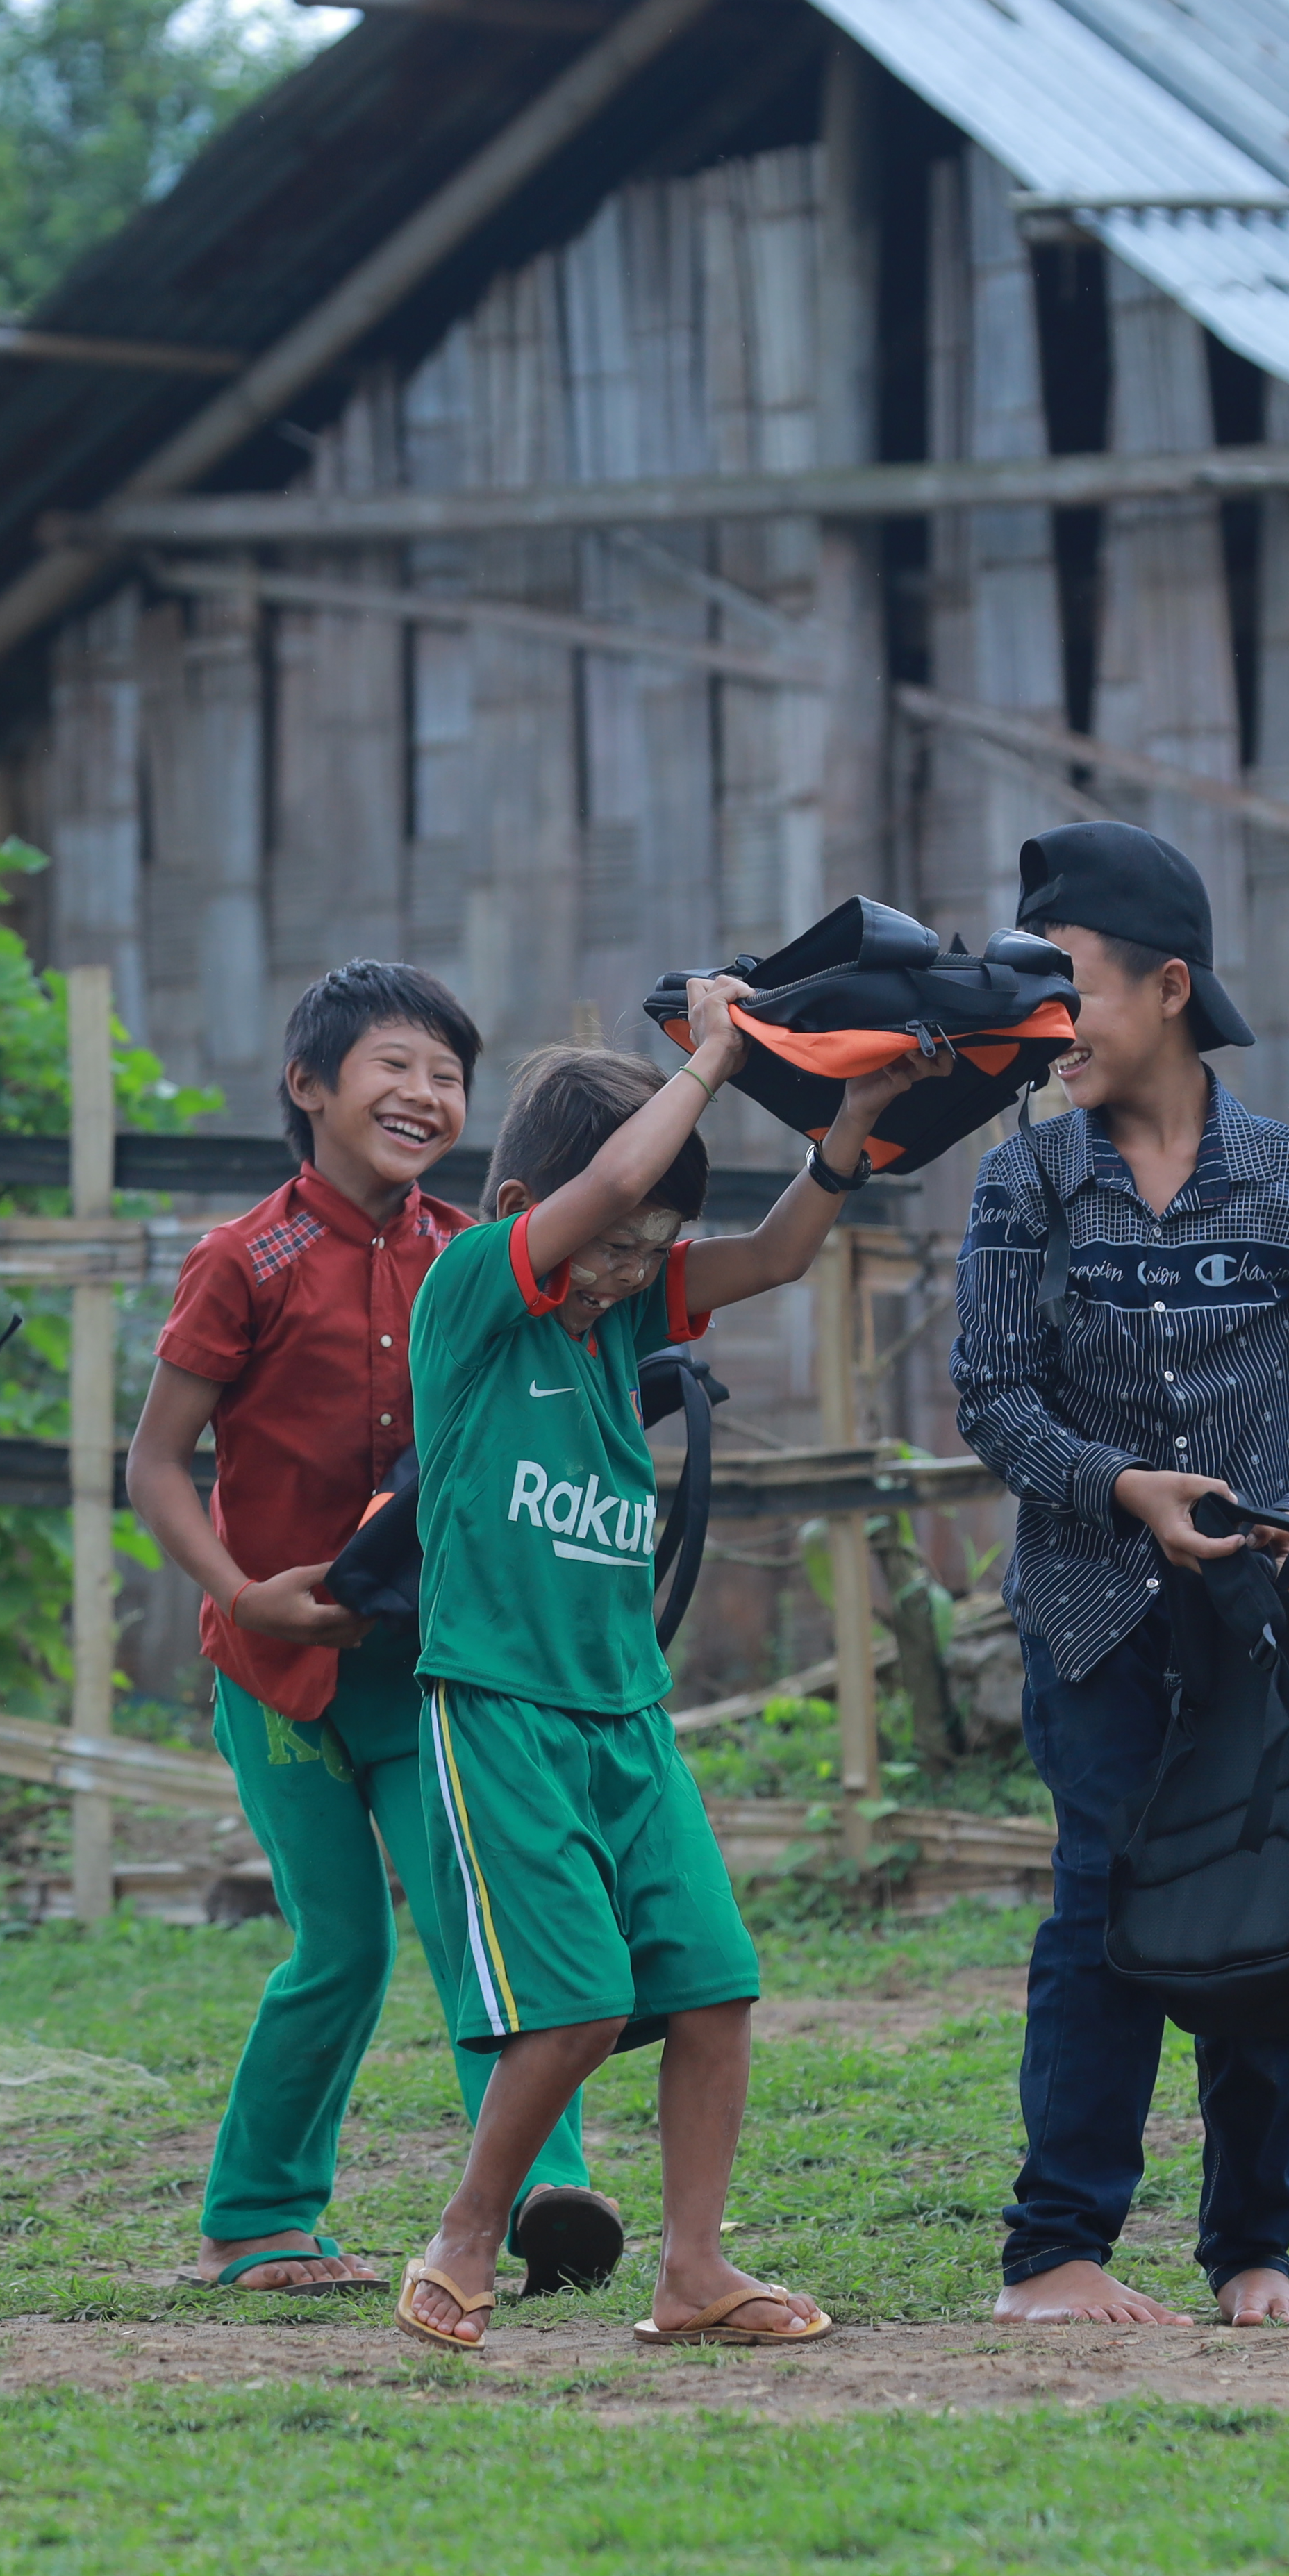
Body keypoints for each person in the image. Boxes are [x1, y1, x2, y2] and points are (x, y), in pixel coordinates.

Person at [383, 994, 940, 2352]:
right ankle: (463, 2234)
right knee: (577, 2005)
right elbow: (625, 1178)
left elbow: (778, 1254)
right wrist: (715, 1056)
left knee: (713, 1981)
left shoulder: (621, 1326)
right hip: (500, 1706)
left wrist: (849, 1132)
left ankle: (695, 2267)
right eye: (613, 1246)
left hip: (628, 1714)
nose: (632, 1269)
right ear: (527, 1203)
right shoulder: (472, 1294)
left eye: (651, 1254)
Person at [949, 821, 1289, 2332]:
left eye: (1061, 982)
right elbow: (995, 1398)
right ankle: (1059, 2247)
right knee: (1100, 1906)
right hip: (1091, 1620)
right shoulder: (1027, 1182)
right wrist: (1123, 1490)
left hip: (1260, 1624)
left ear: (1166, 985)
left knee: (1258, 1907)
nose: (1040, 1020)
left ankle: (1251, 2249)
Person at [128, 960, 619, 2298]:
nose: (424, 1093)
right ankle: (259, 2218)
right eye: (394, 1066)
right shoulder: (242, 1261)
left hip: (429, 1670)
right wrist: (240, 1593)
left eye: (448, 1076)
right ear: (309, 1087)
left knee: (484, 1926)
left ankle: (545, 2195)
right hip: (277, 1669)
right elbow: (158, 1465)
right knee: (340, 1945)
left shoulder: (470, 1259)